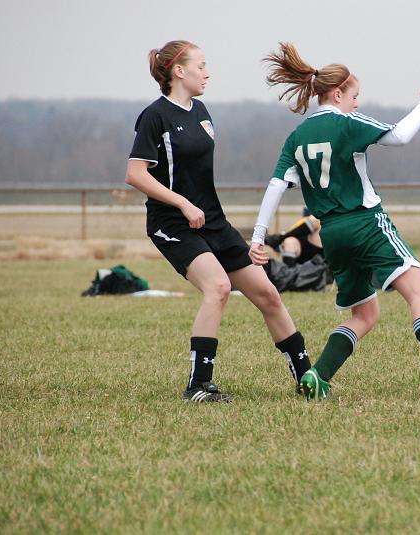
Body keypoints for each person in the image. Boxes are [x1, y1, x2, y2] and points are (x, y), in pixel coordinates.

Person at [250, 42, 420, 400]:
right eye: (355, 95)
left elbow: (275, 186)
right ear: (338, 93)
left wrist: (258, 237)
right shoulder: (345, 123)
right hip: (365, 222)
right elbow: (401, 136)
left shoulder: (296, 137)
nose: (357, 103)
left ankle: (317, 376)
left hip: (333, 234)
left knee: (364, 314)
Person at [125, 40, 310, 402]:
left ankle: (307, 377)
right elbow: (135, 174)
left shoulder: (202, 111)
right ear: (179, 71)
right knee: (219, 289)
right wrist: (182, 204)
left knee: (268, 294)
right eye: (201, 65)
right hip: (173, 223)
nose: (207, 73)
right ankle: (198, 386)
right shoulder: (155, 116)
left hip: (213, 222)